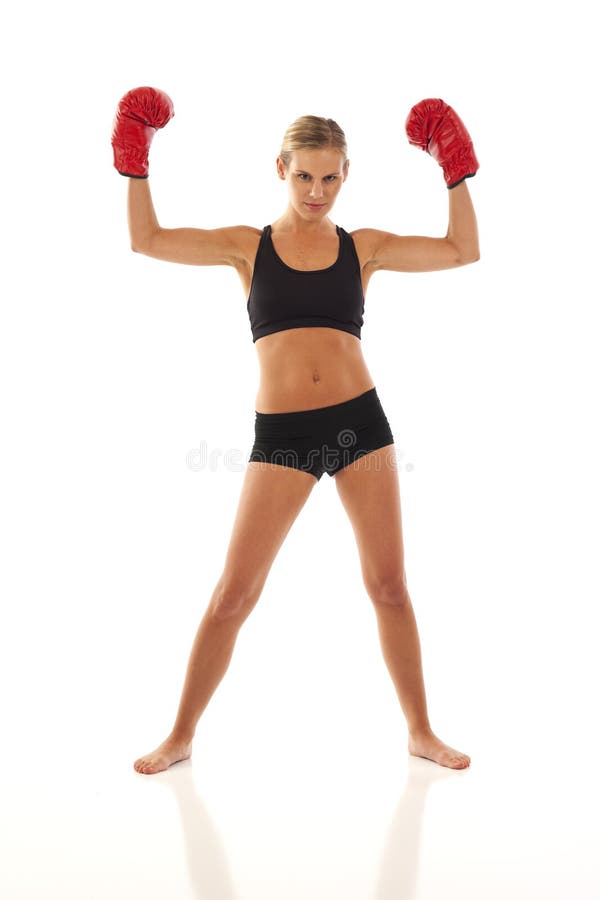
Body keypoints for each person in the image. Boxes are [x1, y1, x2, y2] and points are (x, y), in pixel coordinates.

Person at [111, 87, 480, 775]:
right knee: (234, 594)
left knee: (389, 585)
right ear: (280, 168)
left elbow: (463, 250)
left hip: (359, 424)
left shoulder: (360, 249)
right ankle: (181, 734)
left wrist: (454, 171)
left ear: (347, 175)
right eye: (305, 174)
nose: (318, 190)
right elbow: (147, 239)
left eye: (331, 176)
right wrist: (135, 159)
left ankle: (421, 730)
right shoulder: (246, 249)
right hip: (282, 434)